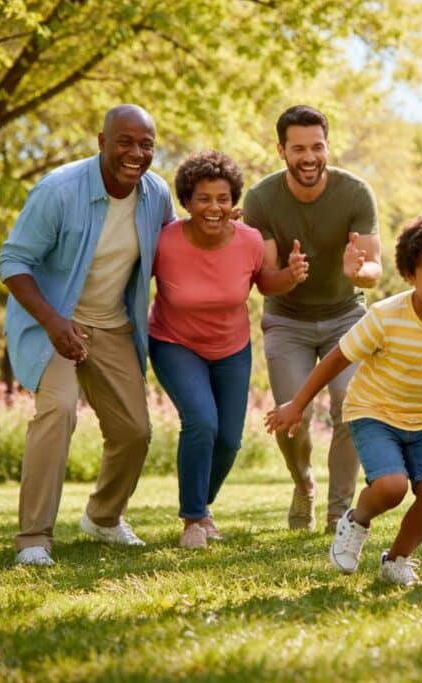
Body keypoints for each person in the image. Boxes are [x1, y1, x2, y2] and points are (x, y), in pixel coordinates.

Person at [265, 213, 422, 586]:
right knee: (391, 486)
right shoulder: (386, 316)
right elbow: (337, 358)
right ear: (410, 275)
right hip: (374, 412)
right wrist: (298, 403)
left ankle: (396, 559)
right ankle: (356, 522)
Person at [0, 105, 176, 565]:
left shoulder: (156, 195)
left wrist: (220, 229)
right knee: (58, 410)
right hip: (54, 321)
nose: (136, 153)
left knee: (135, 431)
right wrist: (54, 323)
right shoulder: (58, 191)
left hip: (113, 323)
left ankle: (103, 517)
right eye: (125, 142)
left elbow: (175, 247)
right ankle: (34, 538)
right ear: (101, 141)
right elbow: (13, 262)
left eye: (146, 144)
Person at [148, 151, 309, 549]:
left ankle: (203, 506)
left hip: (231, 347)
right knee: (202, 421)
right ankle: (192, 519)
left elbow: (264, 283)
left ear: (233, 201)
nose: (214, 208)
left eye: (222, 198)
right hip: (174, 342)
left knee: (230, 440)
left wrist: (289, 276)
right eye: (203, 198)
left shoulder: (250, 240)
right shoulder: (163, 242)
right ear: (186, 201)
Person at [243, 105, 382, 534]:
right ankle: (303, 482)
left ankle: (338, 511)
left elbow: (374, 271)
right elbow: (265, 282)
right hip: (287, 321)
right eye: (298, 148)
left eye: (317, 147)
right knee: (290, 415)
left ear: (327, 146)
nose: (309, 157)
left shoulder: (355, 192)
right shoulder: (261, 199)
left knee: (350, 404)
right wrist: (290, 275)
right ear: (281, 150)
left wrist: (358, 271)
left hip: (345, 317)